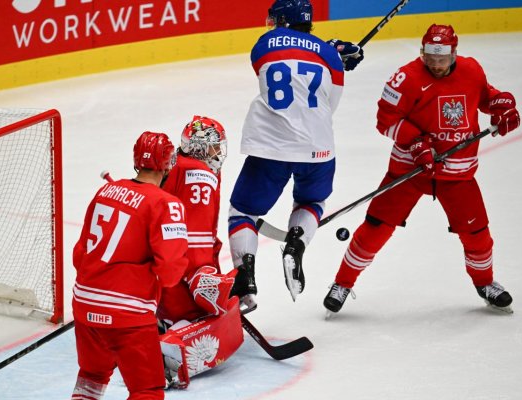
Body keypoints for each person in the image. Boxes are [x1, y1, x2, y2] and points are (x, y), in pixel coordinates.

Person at [323, 24, 521, 315]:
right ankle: (342, 283)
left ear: (454, 53)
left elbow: (485, 97)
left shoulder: (472, 70)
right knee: (375, 228)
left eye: (442, 58)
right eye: (430, 57)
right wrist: (416, 143)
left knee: (478, 234)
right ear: (422, 52)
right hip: (409, 172)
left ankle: (486, 283)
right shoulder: (404, 78)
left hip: (458, 174)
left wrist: (501, 107)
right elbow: (385, 120)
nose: (436, 64)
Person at [227, 0, 364, 310]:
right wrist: (334, 56)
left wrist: (327, 50)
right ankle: (297, 243)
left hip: (270, 146)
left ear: (284, 21)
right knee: (311, 202)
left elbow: (279, 65)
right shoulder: (330, 56)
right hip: (318, 147)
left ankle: (244, 277)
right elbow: (330, 103)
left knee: (243, 212)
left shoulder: (262, 46)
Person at [71, 131, 188, 400]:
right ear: (168, 164)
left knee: (92, 377)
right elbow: (170, 272)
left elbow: (80, 254)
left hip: (85, 305)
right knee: (146, 390)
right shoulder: (165, 204)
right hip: (127, 314)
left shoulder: (106, 190)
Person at [157, 116, 243, 388]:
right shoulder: (200, 176)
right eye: (215, 147)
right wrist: (201, 274)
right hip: (178, 271)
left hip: (157, 267)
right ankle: (171, 340)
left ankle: (161, 321)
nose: (219, 153)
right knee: (202, 316)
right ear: (201, 148)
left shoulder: (176, 164)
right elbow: (194, 237)